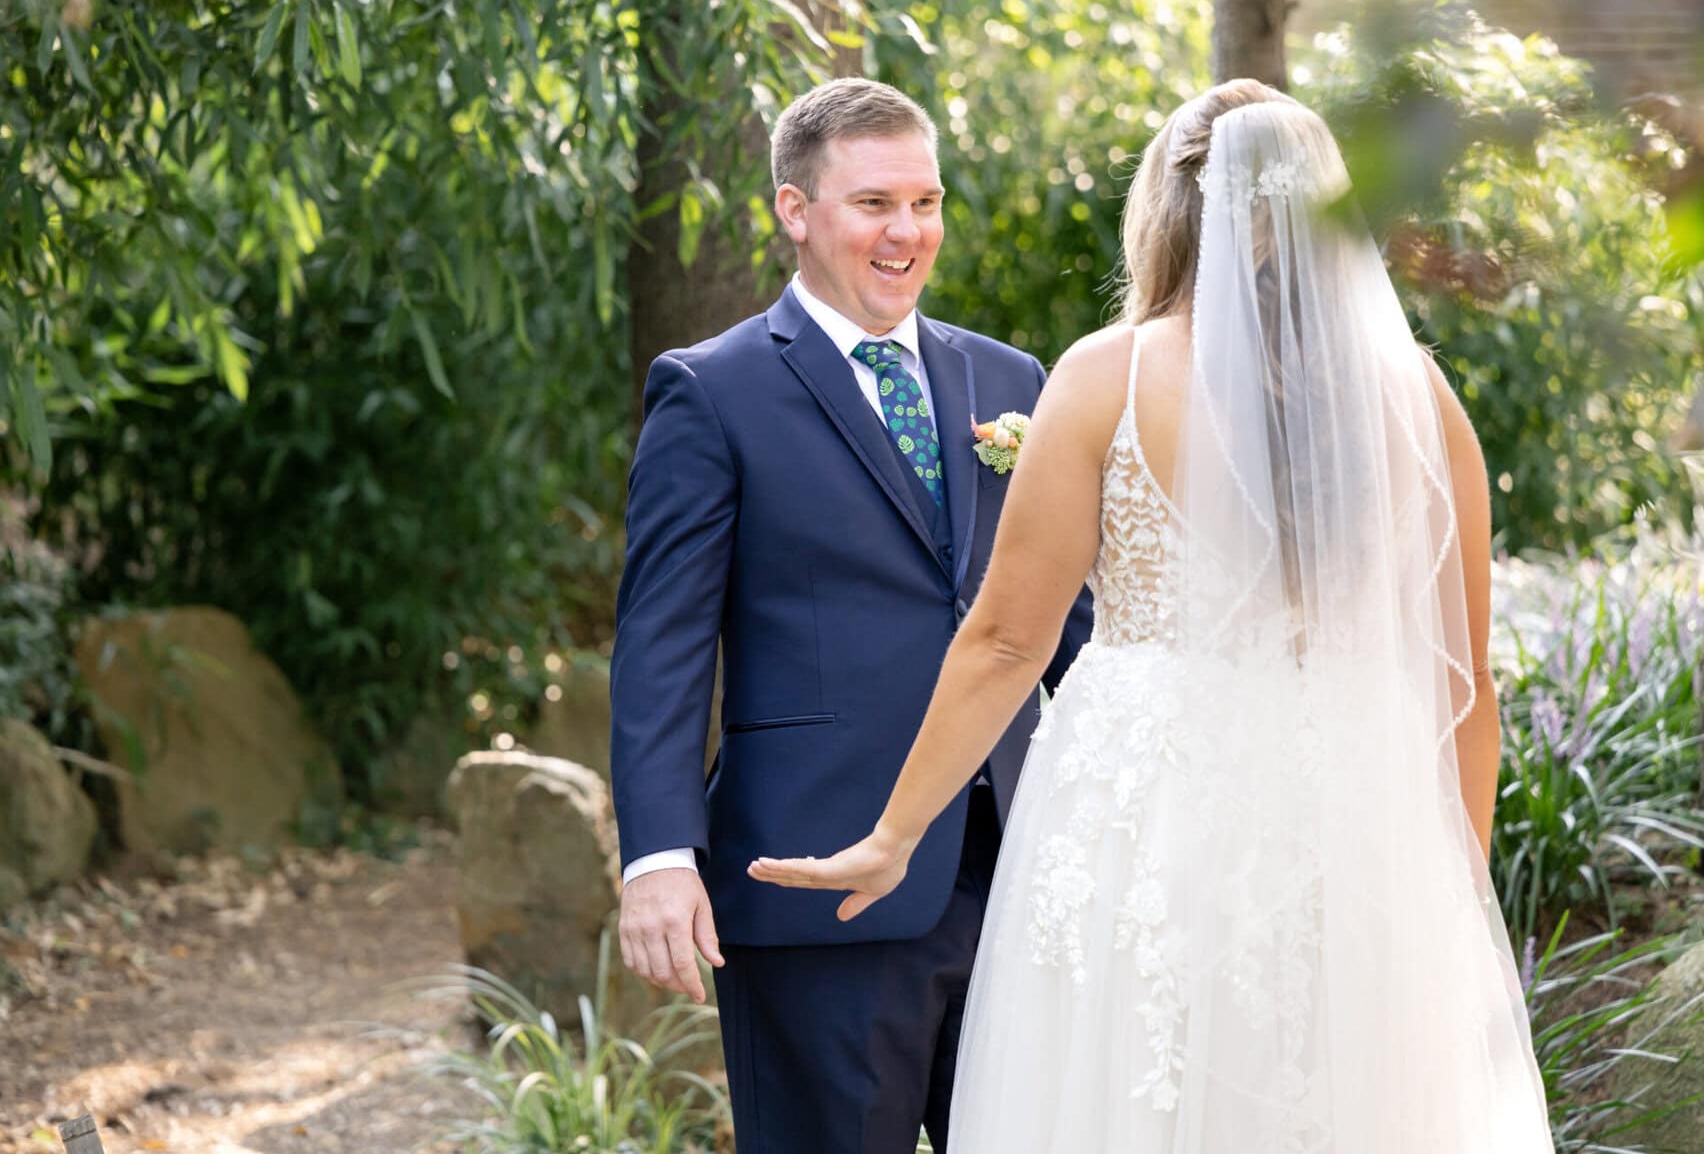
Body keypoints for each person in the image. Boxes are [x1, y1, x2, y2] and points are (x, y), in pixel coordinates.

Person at [752, 81, 1555, 1151]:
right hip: (1349, 831)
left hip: (1148, 833)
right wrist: (1455, 907)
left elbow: (1003, 640)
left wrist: (894, 834)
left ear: (1168, 212)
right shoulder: (1417, 399)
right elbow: (1466, 686)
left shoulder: (1110, 377)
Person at [609, 76, 1094, 1154]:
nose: (907, 232)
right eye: (875, 204)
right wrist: (658, 858)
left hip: (1018, 870)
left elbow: (1065, 624)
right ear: (795, 210)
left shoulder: (1013, 378)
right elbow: (662, 646)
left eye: (925, 203)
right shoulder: (712, 389)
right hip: (817, 883)